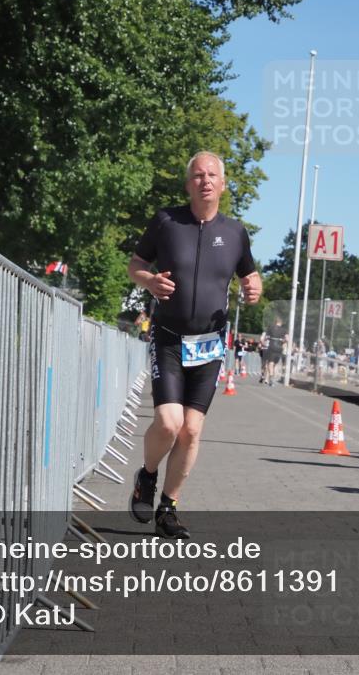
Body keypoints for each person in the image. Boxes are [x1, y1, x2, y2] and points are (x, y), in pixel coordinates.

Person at [127, 151, 262, 538]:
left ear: (222, 183)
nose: (205, 180)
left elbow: (250, 277)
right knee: (168, 424)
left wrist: (254, 288)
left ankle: (168, 507)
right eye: (197, 175)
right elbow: (135, 263)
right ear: (188, 185)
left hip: (209, 345)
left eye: (212, 175)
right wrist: (147, 280)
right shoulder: (166, 221)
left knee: (192, 429)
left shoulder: (235, 232)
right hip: (168, 338)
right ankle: (147, 476)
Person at [260, 315, 287, 386]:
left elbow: (265, 337)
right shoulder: (284, 330)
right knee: (274, 364)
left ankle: (271, 378)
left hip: (272, 346)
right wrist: (283, 342)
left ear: (276, 322)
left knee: (270, 363)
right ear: (281, 323)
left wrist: (263, 342)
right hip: (279, 348)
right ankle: (271, 379)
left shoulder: (271, 327)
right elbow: (287, 339)